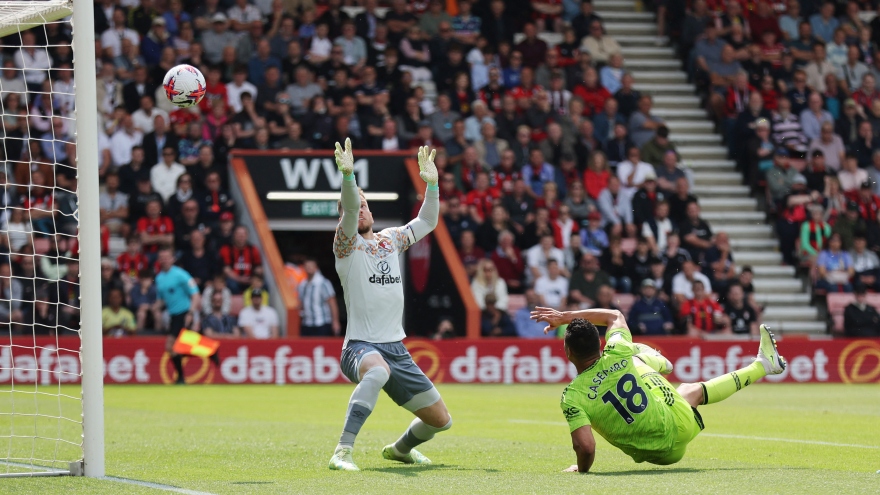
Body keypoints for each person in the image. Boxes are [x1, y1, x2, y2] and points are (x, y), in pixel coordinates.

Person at [529, 307, 786, 472]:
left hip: (660, 457)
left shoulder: (572, 397)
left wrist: (582, 470)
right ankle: (662, 362)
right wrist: (565, 316)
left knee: (688, 391)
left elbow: (586, 448)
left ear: (567, 352)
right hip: (679, 425)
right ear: (599, 342)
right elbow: (615, 316)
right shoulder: (616, 351)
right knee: (638, 360)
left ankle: (765, 364)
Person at [329, 141, 451, 471]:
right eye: (356, 206)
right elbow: (351, 209)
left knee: (441, 421)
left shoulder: (390, 239)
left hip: (395, 347)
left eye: (367, 204)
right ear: (344, 216)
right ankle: (343, 451)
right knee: (377, 371)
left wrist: (433, 185)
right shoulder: (345, 245)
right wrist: (349, 179)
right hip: (360, 345)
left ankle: (400, 449)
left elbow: (427, 222)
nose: (362, 208)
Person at [154, 246, 203, 384]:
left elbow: (195, 294)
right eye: (161, 258)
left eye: (166, 257)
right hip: (173, 315)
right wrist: (153, 307)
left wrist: (192, 312)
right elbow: (162, 299)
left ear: (172, 259)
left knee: (170, 346)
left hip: (184, 313)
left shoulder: (181, 274)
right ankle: (211, 353)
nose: (164, 260)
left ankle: (181, 378)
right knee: (184, 346)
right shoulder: (159, 278)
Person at [298, 258, 341, 337]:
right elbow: (301, 303)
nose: (309, 268)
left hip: (321, 322)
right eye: (307, 266)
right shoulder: (302, 285)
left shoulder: (323, 283)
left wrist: (335, 322)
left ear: (316, 268)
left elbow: (332, 303)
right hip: (307, 323)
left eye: (311, 266)